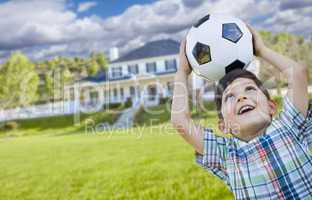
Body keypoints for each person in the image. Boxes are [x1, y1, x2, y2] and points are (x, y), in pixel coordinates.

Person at [171, 25, 312, 199]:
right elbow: (180, 121)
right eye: (229, 97)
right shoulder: (226, 154)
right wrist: (182, 72)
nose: (241, 97)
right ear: (223, 126)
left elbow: (298, 73)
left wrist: (262, 50)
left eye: (250, 89)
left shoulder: (290, 125)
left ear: (271, 107)